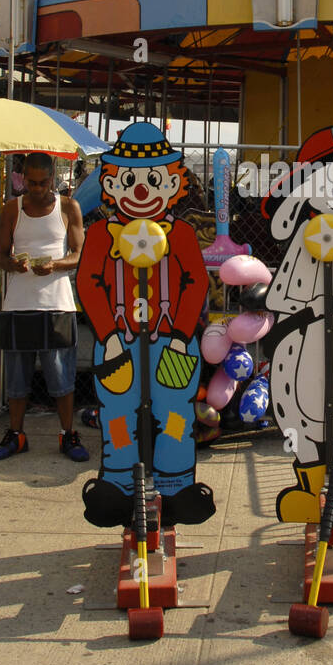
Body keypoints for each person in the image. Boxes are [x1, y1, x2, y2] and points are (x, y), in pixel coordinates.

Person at [75, 122, 213, 528]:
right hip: (118, 340)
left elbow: (196, 283)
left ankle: (175, 485)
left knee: (175, 411)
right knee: (119, 413)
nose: (141, 190)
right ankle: (119, 485)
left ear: (171, 184)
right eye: (129, 180)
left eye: (152, 180)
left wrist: (182, 335)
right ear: (112, 184)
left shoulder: (183, 234)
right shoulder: (101, 234)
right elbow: (89, 282)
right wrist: (108, 335)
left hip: (172, 340)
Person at [0, 151, 88, 462]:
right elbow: (1, 255)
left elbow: (78, 254)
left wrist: (56, 265)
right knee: (17, 379)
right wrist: (13, 265)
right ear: (24, 179)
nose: (36, 188)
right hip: (18, 304)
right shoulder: (11, 209)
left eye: (42, 182)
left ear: (52, 178)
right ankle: (16, 435)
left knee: (62, 378)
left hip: (57, 305)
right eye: (30, 183)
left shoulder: (69, 206)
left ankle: (67, 434)